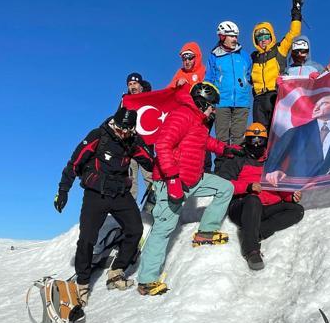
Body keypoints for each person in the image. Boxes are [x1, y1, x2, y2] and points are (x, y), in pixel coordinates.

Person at [135, 83, 240, 296]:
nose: (213, 111)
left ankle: (206, 231)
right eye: (212, 106)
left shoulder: (199, 121)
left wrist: (226, 149)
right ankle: (146, 281)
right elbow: (163, 144)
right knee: (164, 229)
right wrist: (172, 179)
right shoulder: (181, 115)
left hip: (192, 180)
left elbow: (204, 142)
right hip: (171, 182)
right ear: (202, 101)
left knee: (225, 188)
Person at [54, 107, 154, 305]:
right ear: (114, 123)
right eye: (119, 129)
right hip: (95, 194)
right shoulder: (98, 135)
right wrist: (63, 191)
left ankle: (116, 271)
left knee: (135, 230)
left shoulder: (133, 140)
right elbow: (74, 163)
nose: (122, 133)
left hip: (120, 194)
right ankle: (82, 283)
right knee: (87, 239)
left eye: (127, 130)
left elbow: (150, 162)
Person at [217, 123, 304, 270]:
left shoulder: (273, 161)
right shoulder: (237, 158)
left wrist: (291, 196)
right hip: (243, 206)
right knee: (252, 199)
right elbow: (223, 184)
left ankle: (254, 232)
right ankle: (251, 250)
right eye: (253, 140)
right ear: (247, 140)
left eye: (260, 140)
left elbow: (279, 185)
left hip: (267, 207)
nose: (256, 143)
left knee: (297, 210)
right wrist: (247, 187)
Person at [264, 93, 330, 185]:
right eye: (316, 104)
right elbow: (274, 156)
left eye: (323, 103)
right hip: (299, 191)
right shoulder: (295, 132)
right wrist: (274, 170)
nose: (316, 107)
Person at [250, 0, 303, 127]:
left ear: (271, 36)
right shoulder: (253, 57)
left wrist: (296, 12)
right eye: (259, 37)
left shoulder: (279, 49)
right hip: (258, 99)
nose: (263, 40)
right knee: (260, 133)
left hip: (275, 95)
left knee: (276, 130)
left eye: (266, 36)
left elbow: (294, 34)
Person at [205, 20, 252, 159]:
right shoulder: (214, 56)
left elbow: (249, 75)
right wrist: (209, 103)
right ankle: (222, 170)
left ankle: (236, 170)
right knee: (222, 138)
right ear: (222, 36)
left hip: (242, 102)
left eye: (236, 36)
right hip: (221, 102)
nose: (235, 39)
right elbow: (209, 79)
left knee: (238, 139)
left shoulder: (244, 55)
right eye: (232, 36)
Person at [125, 73, 155, 201]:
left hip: (145, 146)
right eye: (130, 84)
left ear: (141, 85)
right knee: (130, 181)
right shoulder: (125, 101)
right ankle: (130, 213)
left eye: (135, 83)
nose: (133, 87)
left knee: (150, 178)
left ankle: (156, 206)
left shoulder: (151, 99)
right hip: (129, 147)